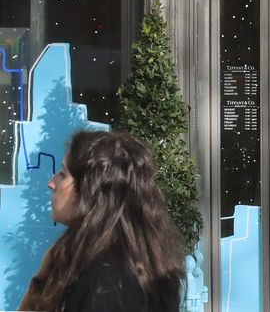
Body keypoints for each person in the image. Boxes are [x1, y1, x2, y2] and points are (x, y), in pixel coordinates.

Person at [19, 130, 184, 312]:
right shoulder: (87, 260)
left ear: (92, 190)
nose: (51, 183)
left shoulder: (104, 281)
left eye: (63, 174)